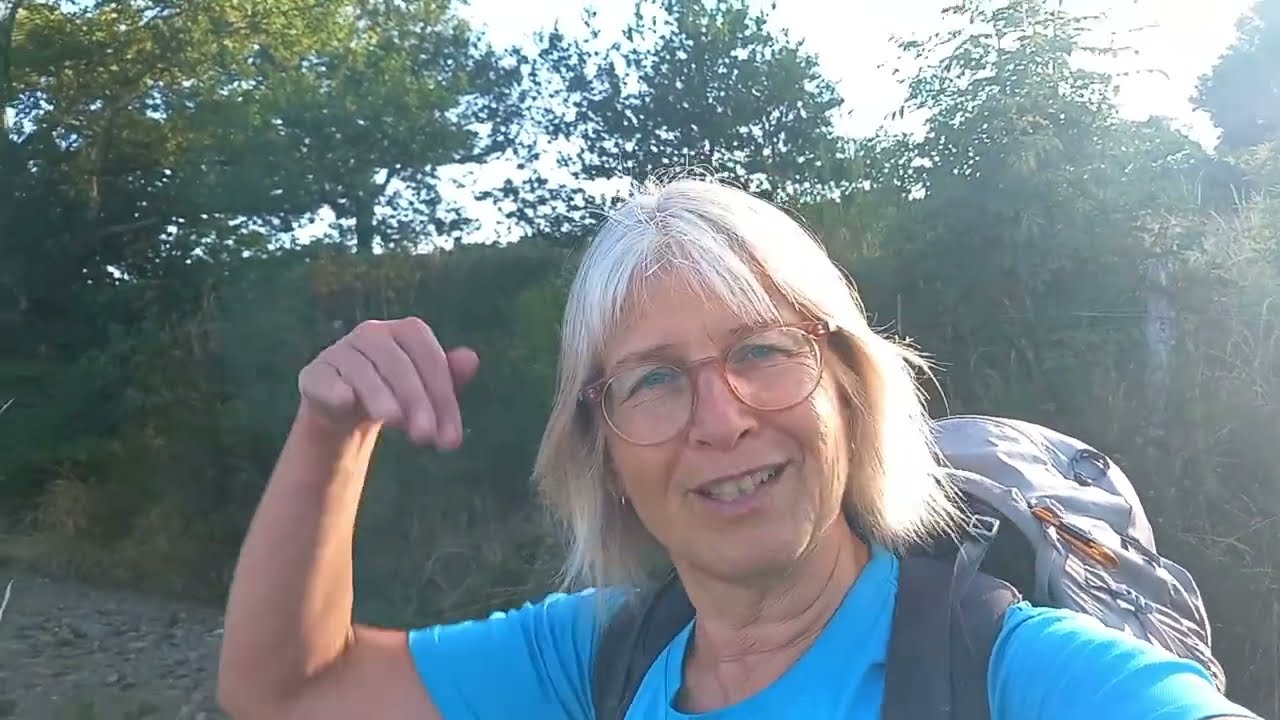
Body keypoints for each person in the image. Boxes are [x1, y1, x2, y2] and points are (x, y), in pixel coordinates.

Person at [215, 178, 1258, 720]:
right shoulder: (598, 661)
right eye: (655, 379)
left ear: (848, 391)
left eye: (761, 351)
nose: (719, 420)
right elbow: (287, 693)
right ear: (603, 451)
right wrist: (331, 432)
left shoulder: (1006, 674)